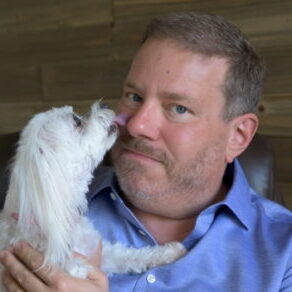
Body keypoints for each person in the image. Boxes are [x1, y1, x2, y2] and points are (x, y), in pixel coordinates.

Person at [0, 11, 292, 291]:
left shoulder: (284, 255)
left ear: (237, 137)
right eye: (134, 96)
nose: (137, 124)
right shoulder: (28, 217)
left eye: (179, 108)